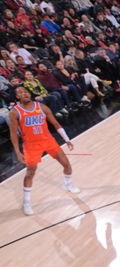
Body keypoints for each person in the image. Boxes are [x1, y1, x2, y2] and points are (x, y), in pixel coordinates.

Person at [8, 85, 80, 216]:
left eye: (25, 91)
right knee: (30, 173)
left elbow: (55, 124)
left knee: (66, 164)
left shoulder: (42, 107)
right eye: (20, 92)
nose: (24, 93)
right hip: (31, 145)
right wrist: (18, 152)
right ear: (17, 96)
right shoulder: (14, 112)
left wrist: (67, 139)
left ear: (29, 94)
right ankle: (26, 202)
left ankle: (68, 184)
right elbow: (13, 133)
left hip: (48, 140)